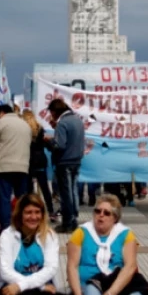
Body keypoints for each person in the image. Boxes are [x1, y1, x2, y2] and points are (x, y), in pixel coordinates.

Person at [0, 104, 32, 236]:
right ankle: (23, 225)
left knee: (4, 198)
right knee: (22, 199)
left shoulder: (0, 123)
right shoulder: (25, 124)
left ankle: (6, 227)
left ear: (1, 113)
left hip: (4, 166)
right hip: (22, 165)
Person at [47, 99, 85, 235]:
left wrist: (48, 140)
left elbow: (59, 145)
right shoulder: (77, 120)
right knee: (73, 191)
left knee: (66, 193)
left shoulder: (62, 123)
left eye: (51, 113)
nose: (51, 116)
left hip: (64, 161)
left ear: (54, 111)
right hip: (76, 160)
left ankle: (68, 222)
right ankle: (74, 219)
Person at [22, 110, 54, 219]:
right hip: (40, 160)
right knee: (44, 188)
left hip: (28, 161)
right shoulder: (39, 128)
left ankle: (29, 210)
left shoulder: (23, 129)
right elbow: (46, 144)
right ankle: (51, 211)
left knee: (28, 188)